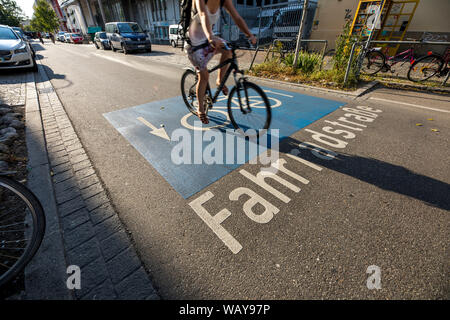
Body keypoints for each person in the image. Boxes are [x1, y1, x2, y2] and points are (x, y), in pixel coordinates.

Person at [185, 0, 256, 124]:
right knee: (204, 76)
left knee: (228, 50)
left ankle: (219, 80)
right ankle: (200, 109)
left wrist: (249, 34)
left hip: (208, 39)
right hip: (194, 43)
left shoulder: (224, 1)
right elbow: (203, 14)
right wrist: (210, 36)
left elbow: (237, 17)